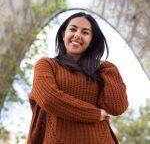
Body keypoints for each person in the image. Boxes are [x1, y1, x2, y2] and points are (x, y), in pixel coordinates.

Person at [27, 12, 129, 144]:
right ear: (63, 35)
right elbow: (49, 99)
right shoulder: (47, 65)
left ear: (92, 41)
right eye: (73, 29)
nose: (77, 35)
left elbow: (117, 107)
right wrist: (94, 114)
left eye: (85, 32)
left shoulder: (103, 70)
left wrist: (109, 69)